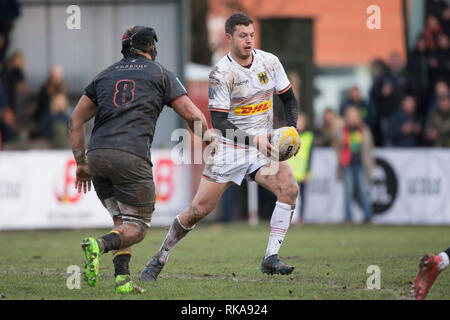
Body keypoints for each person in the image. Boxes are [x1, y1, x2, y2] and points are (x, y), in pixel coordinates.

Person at [140, 12, 300, 281]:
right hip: (230, 148)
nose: (248, 41)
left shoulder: (270, 62)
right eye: (242, 36)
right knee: (197, 211)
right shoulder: (221, 74)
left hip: (262, 147)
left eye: (251, 35)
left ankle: (270, 257)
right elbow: (220, 123)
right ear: (229, 38)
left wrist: (292, 129)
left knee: (289, 189)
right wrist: (254, 140)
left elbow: (290, 100)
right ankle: (160, 255)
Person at [68, 25, 211, 294]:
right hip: (130, 155)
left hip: (97, 156)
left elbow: (75, 120)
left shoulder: (104, 75)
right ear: (152, 47)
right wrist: (208, 139)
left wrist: (81, 163)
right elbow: (192, 115)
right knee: (138, 227)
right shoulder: (160, 73)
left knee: (121, 223)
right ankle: (97, 246)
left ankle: (122, 279)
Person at [334, 106, 374, 224]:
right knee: (348, 192)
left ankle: (368, 216)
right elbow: (336, 145)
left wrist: (370, 166)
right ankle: (348, 217)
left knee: (363, 191)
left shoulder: (364, 130)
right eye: (350, 116)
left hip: (361, 164)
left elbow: (369, 149)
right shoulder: (342, 131)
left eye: (354, 116)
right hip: (347, 164)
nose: (352, 119)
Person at [287, 112, 314, 225]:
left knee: (301, 197)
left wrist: (308, 172)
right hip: (289, 172)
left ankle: (300, 219)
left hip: (301, 173)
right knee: (288, 197)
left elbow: (311, 156)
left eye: (301, 122)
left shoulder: (309, 137)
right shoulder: (287, 135)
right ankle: (288, 219)